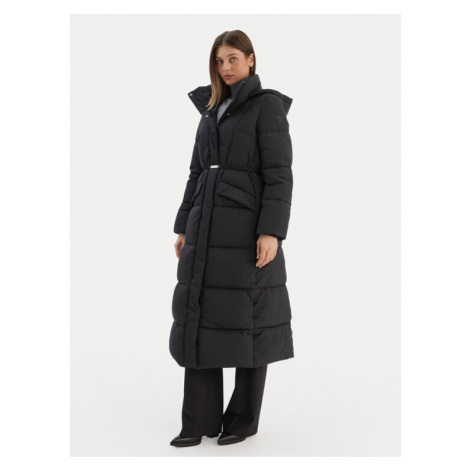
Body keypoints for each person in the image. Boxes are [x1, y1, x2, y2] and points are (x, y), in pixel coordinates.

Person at [169, 30, 294, 447]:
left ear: (251, 59)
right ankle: (198, 421)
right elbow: (196, 172)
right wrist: (183, 226)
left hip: (245, 232)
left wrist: (271, 231)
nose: (225, 67)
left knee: (249, 321)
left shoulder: (266, 106)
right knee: (200, 317)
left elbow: (279, 175)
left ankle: (241, 420)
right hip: (204, 229)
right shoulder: (210, 108)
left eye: (233, 59)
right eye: (219, 61)